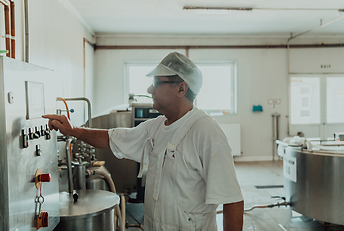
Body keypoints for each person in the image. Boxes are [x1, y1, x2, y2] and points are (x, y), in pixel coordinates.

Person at [43, 52, 244, 231]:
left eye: (157, 83)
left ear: (181, 88)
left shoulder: (206, 131)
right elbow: (111, 137)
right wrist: (73, 131)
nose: (150, 89)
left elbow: (232, 199)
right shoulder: (155, 127)